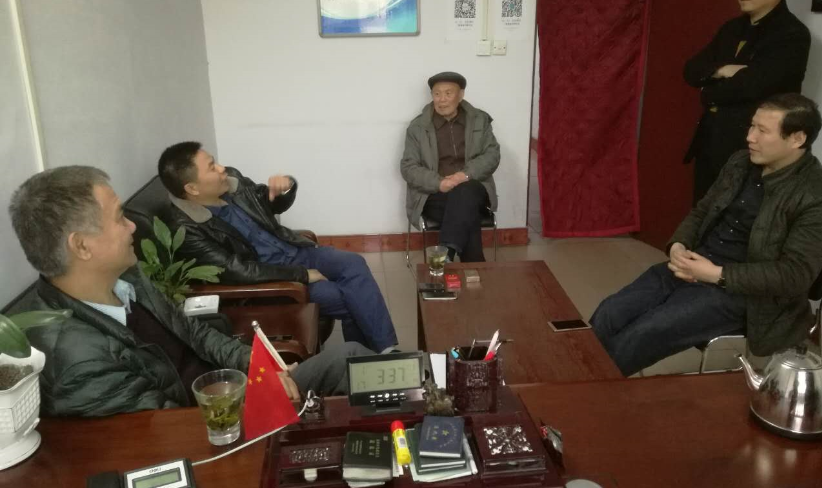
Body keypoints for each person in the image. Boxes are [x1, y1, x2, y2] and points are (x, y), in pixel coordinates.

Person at [8, 166, 371, 417]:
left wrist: (259, 369)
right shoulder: (78, 360)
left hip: (229, 388)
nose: (132, 226)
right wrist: (253, 392)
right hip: (214, 424)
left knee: (351, 359)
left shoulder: (129, 279)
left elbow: (194, 331)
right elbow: (165, 429)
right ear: (82, 246)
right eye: (119, 217)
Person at [590, 94, 822, 377]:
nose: (750, 137)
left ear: (797, 138)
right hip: (696, 265)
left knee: (643, 333)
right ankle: (571, 379)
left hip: (746, 295)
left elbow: (795, 275)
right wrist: (679, 245)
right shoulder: (740, 162)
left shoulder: (815, 193)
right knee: (610, 313)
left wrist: (716, 274)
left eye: (762, 131)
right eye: (752, 126)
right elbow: (702, 211)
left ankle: (583, 393)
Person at [157, 142, 398, 354]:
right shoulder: (187, 228)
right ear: (192, 188)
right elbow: (235, 270)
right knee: (347, 298)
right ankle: (367, 358)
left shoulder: (231, 181)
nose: (222, 169)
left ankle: (385, 351)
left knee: (354, 263)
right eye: (212, 167)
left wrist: (284, 189)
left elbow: (267, 201)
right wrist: (302, 275)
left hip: (294, 250)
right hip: (271, 280)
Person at [683, 0, 810, 202]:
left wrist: (709, 90)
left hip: (753, 148)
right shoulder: (732, 28)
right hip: (710, 141)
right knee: (702, 211)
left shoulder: (791, 34)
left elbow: (751, 86)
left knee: (738, 217)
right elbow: (691, 70)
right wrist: (723, 70)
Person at [400, 72, 500, 262]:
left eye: (448, 93)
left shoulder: (479, 120)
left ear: (460, 95)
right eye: (437, 94)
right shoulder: (418, 127)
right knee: (467, 212)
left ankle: (446, 252)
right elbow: (408, 167)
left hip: (473, 187)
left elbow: (492, 155)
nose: (442, 99)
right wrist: (439, 183)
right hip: (435, 194)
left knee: (465, 193)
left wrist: (463, 175)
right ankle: (473, 268)